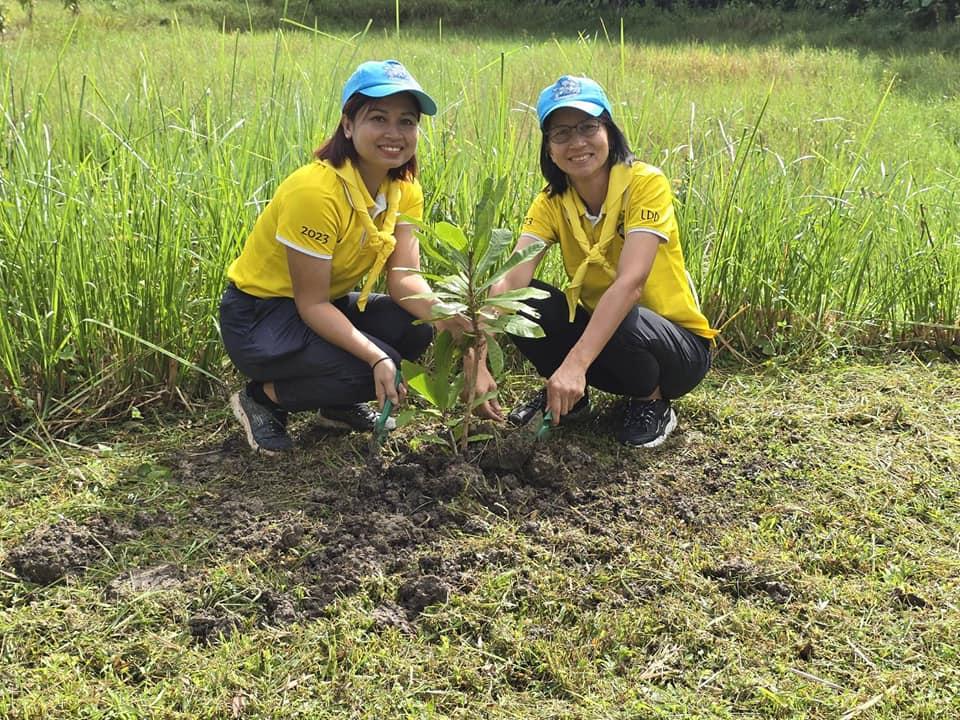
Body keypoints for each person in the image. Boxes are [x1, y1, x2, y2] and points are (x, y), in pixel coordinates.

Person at [220, 59, 500, 454]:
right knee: (377, 365)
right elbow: (311, 304)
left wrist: (463, 333)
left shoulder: (404, 188)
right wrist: (376, 359)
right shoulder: (315, 192)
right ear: (348, 125)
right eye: (378, 118)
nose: (394, 133)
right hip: (260, 317)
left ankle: (335, 407)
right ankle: (261, 398)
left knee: (416, 326)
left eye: (407, 121)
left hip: (322, 305)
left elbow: (405, 280)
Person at [492, 75, 717, 448]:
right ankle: (570, 398)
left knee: (623, 310)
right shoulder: (550, 202)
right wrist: (476, 349)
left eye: (587, 127)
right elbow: (512, 278)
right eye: (561, 133)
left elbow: (631, 284)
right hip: (609, 343)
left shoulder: (645, 184)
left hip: (674, 349)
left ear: (609, 131)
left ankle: (654, 402)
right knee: (524, 301)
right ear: (548, 148)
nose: (577, 143)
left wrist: (576, 364)